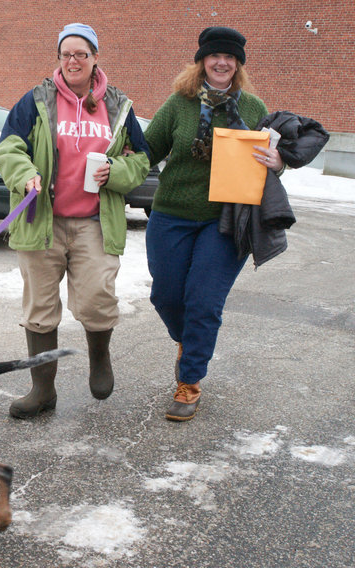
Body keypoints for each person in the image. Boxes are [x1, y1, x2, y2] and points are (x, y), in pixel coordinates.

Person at [0, 23, 151, 418]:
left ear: (96, 57)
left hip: (95, 223)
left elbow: (143, 159)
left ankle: (100, 360)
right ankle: (42, 389)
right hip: (41, 220)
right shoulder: (36, 100)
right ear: (58, 59)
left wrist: (115, 170)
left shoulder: (118, 105)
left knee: (99, 296)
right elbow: (9, 146)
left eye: (81, 53)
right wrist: (24, 172)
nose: (73, 61)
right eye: (66, 54)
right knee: (40, 307)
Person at [143, 26, 284, 422]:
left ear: (238, 64)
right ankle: (189, 344)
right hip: (170, 214)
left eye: (230, 57)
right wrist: (116, 156)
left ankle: (189, 382)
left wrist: (279, 163)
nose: (222, 62)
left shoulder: (254, 108)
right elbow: (147, 148)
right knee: (167, 297)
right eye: (214, 55)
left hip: (224, 221)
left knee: (203, 301)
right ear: (202, 60)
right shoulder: (179, 103)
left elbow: (270, 160)